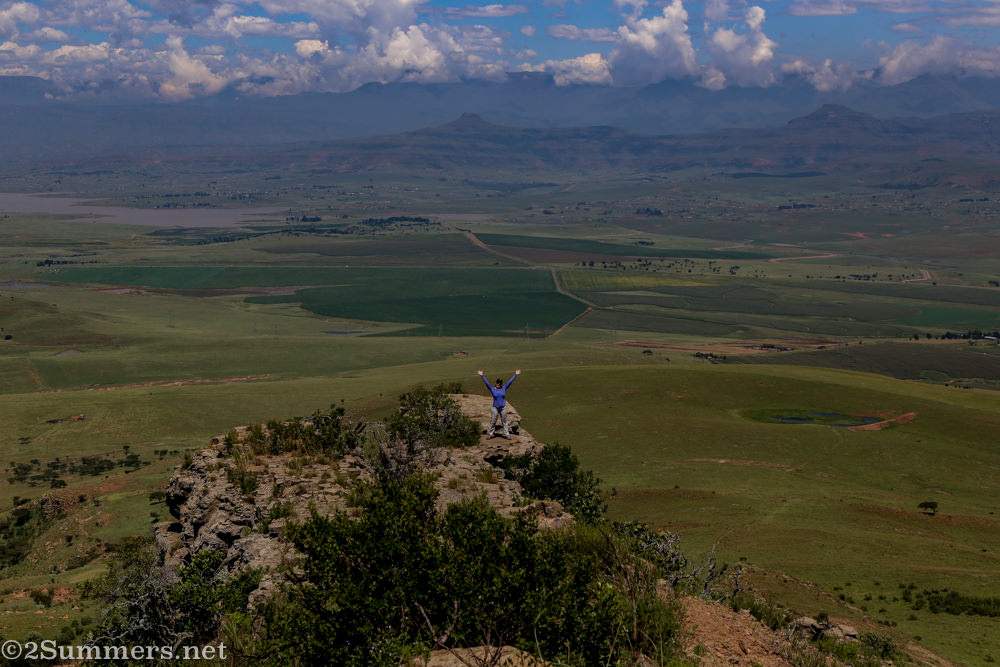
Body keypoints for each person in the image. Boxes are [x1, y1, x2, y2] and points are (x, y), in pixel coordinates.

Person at [477, 369, 520, 439]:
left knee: (504, 421)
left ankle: (507, 434)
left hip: (503, 407)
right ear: (496, 383)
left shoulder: (504, 388)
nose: (498, 385)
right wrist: (482, 376)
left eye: (499, 384)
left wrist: (515, 375)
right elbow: (486, 383)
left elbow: (510, 382)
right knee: (493, 421)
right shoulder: (492, 389)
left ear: (501, 384)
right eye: (497, 383)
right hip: (495, 408)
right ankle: (490, 434)